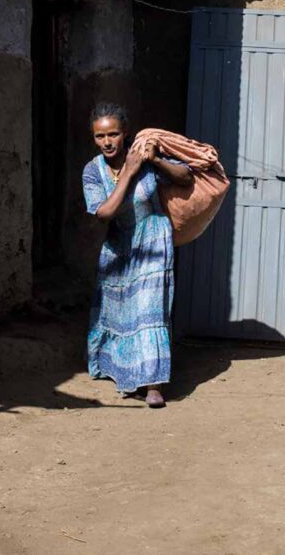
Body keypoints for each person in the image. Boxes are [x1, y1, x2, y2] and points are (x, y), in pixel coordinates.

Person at [81, 103, 192, 408]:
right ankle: (125, 373)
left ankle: (154, 384)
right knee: (119, 311)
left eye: (113, 134)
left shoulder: (144, 157)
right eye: (100, 136)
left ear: (125, 133)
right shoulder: (93, 171)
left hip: (153, 238)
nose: (107, 142)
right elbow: (103, 213)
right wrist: (128, 173)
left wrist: (154, 160)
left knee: (149, 308)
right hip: (118, 244)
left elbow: (184, 177)